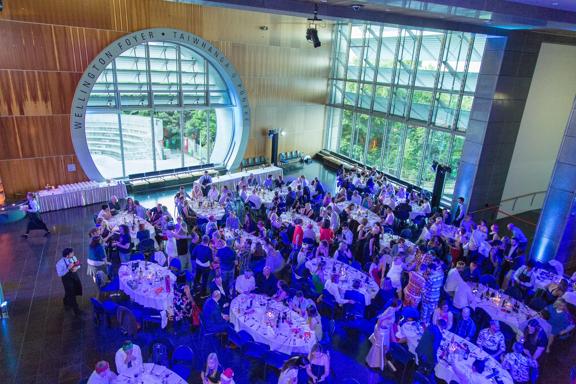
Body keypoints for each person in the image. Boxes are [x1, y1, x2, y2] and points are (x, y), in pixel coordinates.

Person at [366, 298, 400, 370]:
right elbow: (380, 318)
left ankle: (377, 362)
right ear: (398, 306)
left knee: (383, 347)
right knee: (379, 347)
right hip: (382, 331)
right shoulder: (391, 311)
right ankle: (373, 363)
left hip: (385, 331)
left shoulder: (391, 309)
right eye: (400, 306)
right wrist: (379, 327)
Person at [56, 247, 83, 316]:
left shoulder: (73, 257)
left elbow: (78, 265)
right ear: (67, 255)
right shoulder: (60, 263)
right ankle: (76, 310)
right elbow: (60, 274)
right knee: (71, 293)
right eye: (72, 253)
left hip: (74, 276)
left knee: (72, 289)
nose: (73, 254)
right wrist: (68, 268)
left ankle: (65, 300)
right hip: (67, 279)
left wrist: (76, 268)